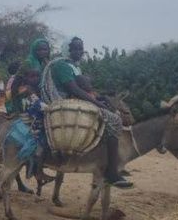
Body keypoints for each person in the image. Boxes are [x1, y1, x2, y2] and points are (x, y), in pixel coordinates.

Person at [42, 37, 130, 188]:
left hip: (74, 100)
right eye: (74, 48)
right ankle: (112, 173)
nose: (78, 52)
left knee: (109, 115)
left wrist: (101, 98)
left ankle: (106, 161)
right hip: (63, 103)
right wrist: (97, 103)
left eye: (80, 48)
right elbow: (73, 89)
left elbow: (83, 89)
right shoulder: (61, 65)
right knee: (114, 120)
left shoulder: (73, 65)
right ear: (67, 49)